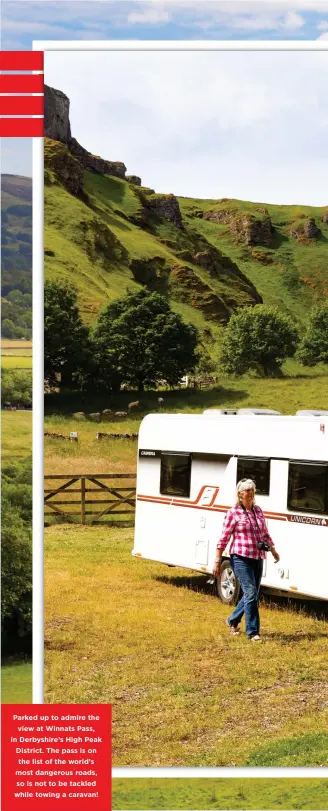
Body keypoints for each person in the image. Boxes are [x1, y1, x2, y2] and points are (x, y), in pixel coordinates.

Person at [213, 478, 280, 641]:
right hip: (240, 557)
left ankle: (232, 620)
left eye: (252, 490)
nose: (250, 493)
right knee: (250, 592)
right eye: (247, 490)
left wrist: (273, 549)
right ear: (239, 494)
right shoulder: (233, 512)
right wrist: (217, 560)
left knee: (253, 594)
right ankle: (253, 632)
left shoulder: (258, 511)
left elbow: (264, 533)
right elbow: (224, 537)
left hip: (258, 557)